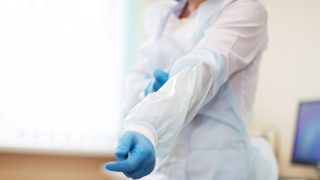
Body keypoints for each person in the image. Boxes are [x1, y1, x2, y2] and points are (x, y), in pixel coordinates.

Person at [105, 0, 273, 179]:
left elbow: (204, 68)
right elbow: (134, 80)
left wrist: (147, 126)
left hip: (217, 166)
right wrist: (147, 91)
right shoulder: (165, 16)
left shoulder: (244, 8)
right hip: (167, 166)